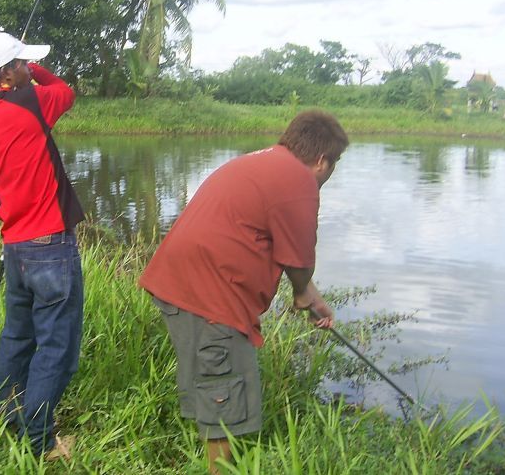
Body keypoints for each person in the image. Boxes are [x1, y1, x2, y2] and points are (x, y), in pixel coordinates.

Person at [138, 110, 349, 474]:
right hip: (209, 295)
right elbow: (299, 261)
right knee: (224, 394)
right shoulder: (299, 182)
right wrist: (302, 295)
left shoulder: (263, 161)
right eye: (335, 164)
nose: (331, 173)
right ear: (321, 161)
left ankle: (204, 457)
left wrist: (310, 297)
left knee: (211, 381)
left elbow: (290, 258)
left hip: (178, 282)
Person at [0, 31, 85, 460]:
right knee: (57, 346)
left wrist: (8, 82)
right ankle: (41, 442)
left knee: (17, 338)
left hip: (14, 247)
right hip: (51, 244)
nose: (30, 71)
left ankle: (6, 420)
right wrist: (32, 74)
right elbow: (65, 93)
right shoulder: (30, 103)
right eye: (23, 65)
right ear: (10, 72)